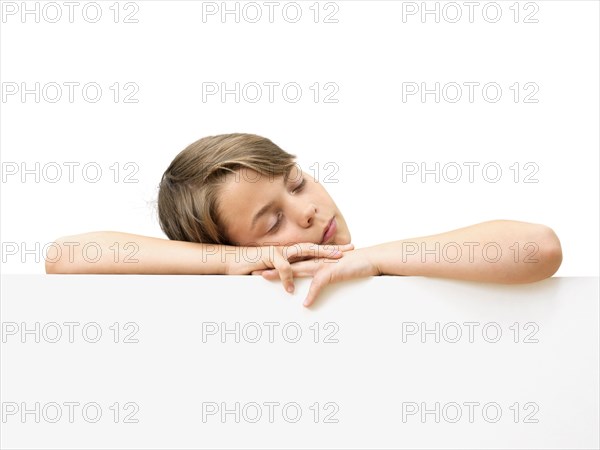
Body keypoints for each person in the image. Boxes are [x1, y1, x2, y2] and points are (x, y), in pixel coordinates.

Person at [45, 133, 563, 307]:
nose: (308, 208)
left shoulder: (379, 265)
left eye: (296, 183)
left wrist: (373, 260)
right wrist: (233, 262)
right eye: (272, 224)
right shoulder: (242, 274)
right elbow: (64, 256)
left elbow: (538, 247)